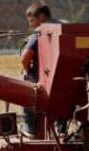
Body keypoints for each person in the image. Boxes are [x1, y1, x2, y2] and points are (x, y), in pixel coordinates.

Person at [20, 1, 64, 138]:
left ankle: (30, 128)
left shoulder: (40, 30)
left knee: (24, 83)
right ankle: (61, 128)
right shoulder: (65, 25)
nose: (31, 24)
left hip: (47, 79)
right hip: (66, 77)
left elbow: (24, 59)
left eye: (32, 20)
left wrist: (26, 71)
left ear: (41, 17)